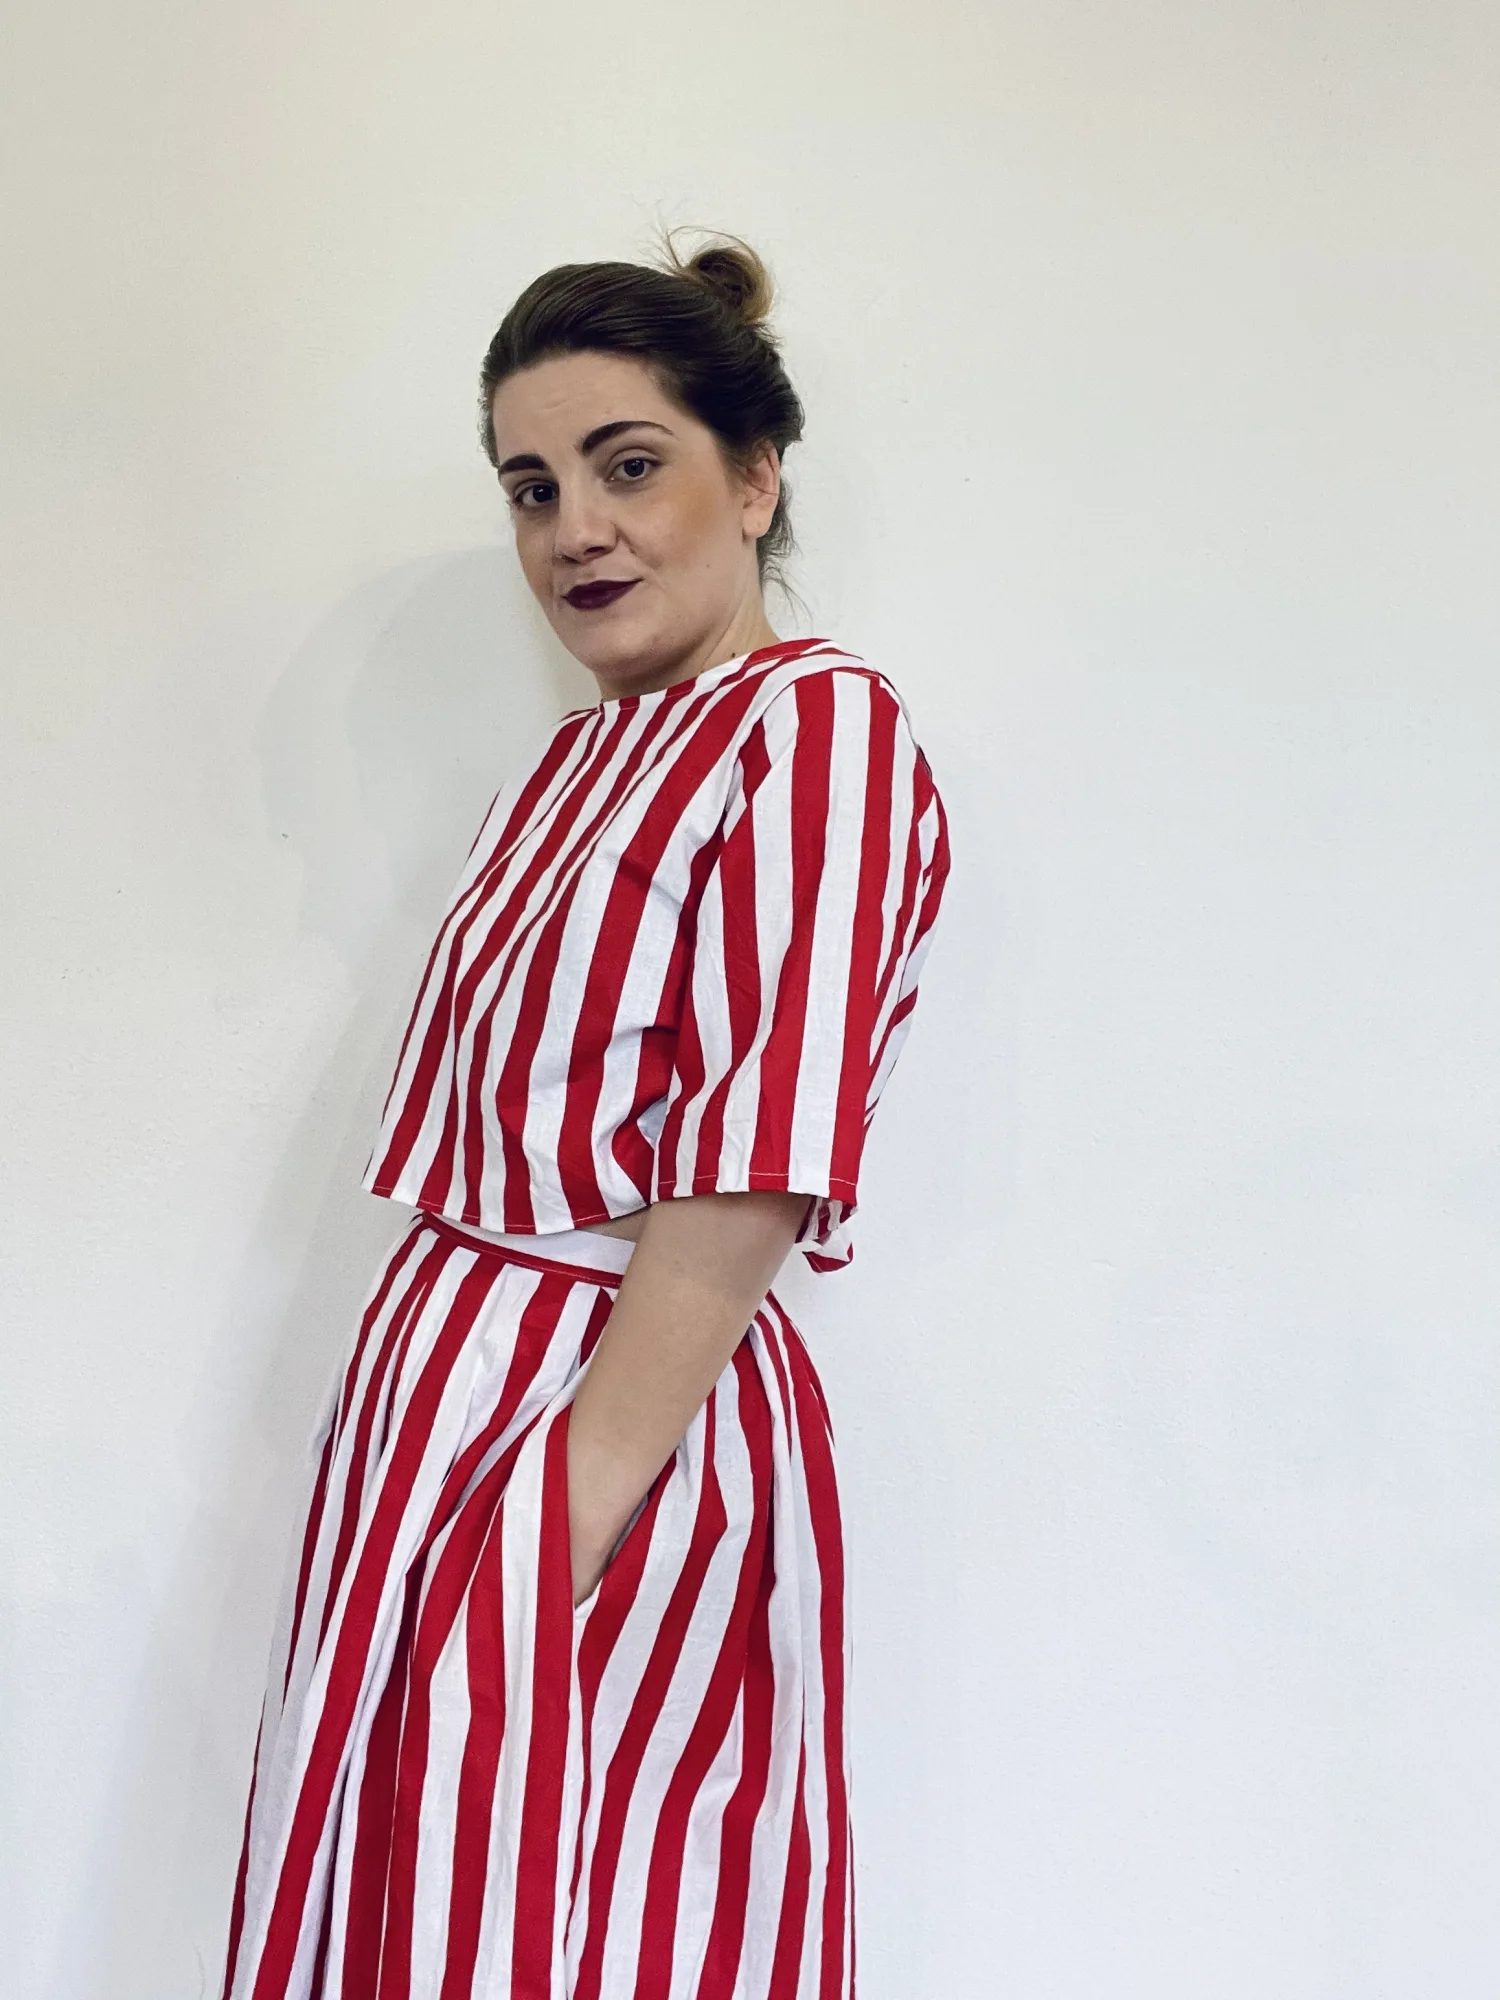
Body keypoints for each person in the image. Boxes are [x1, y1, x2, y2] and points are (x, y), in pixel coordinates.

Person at [220, 233, 951, 2000]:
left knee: (583, 1918)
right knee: (403, 1907)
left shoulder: (818, 734)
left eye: (630, 466)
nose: (575, 531)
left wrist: (564, 1509)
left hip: (606, 1409)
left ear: (755, 477)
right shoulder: (565, 762)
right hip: (440, 1412)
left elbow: (751, 1162)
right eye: (532, 489)